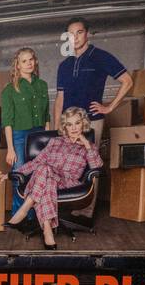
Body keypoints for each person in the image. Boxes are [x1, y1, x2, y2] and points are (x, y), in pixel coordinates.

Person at [53, 17, 132, 217]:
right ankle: (69, 210)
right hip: (67, 124)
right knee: (68, 166)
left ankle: (86, 213)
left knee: (90, 164)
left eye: (79, 32)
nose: (75, 37)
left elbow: (127, 81)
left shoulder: (101, 57)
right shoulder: (64, 65)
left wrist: (109, 107)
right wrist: (56, 127)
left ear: (87, 33)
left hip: (91, 121)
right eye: (70, 34)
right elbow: (60, 98)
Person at [7, 107, 102, 250]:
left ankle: (26, 207)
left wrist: (86, 144)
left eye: (77, 123)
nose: (74, 128)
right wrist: (8, 174)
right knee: (45, 171)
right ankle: (47, 230)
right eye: (69, 124)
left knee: (44, 170)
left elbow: (96, 166)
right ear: (65, 127)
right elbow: (36, 162)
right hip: (46, 179)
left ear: (83, 124)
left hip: (68, 182)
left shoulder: (89, 147)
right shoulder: (55, 142)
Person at [0, 47, 50, 214]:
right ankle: (19, 215)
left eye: (31, 60)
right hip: (20, 136)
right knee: (20, 174)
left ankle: (37, 215)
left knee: (40, 174)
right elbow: (7, 122)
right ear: (18, 65)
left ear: (35, 62)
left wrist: (48, 139)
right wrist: (10, 148)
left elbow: (47, 115)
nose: (28, 63)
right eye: (24, 61)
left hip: (40, 135)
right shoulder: (9, 90)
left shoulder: (42, 85)